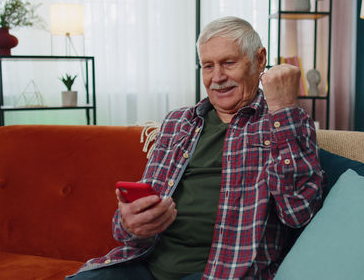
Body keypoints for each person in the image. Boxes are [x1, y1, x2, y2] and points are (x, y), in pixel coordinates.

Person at [69, 16, 324, 280]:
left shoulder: (284, 123)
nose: (217, 77)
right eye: (207, 66)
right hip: (144, 263)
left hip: (221, 272)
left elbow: (298, 212)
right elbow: (126, 229)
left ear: (260, 60)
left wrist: (282, 110)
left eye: (229, 63)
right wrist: (129, 223)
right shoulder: (179, 122)